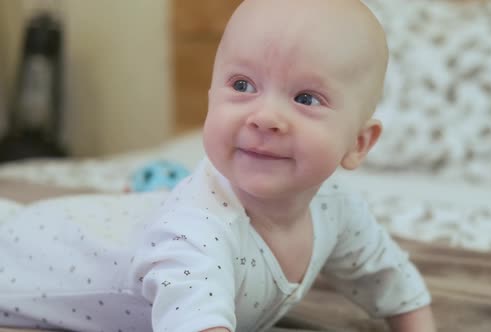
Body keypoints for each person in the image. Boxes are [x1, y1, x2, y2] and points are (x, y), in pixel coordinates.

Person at [0, 0, 436, 331]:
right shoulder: (199, 227)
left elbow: (393, 283)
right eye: (242, 85)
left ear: (359, 143)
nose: (264, 117)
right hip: (20, 257)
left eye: (306, 98)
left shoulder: (337, 208)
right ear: (211, 97)